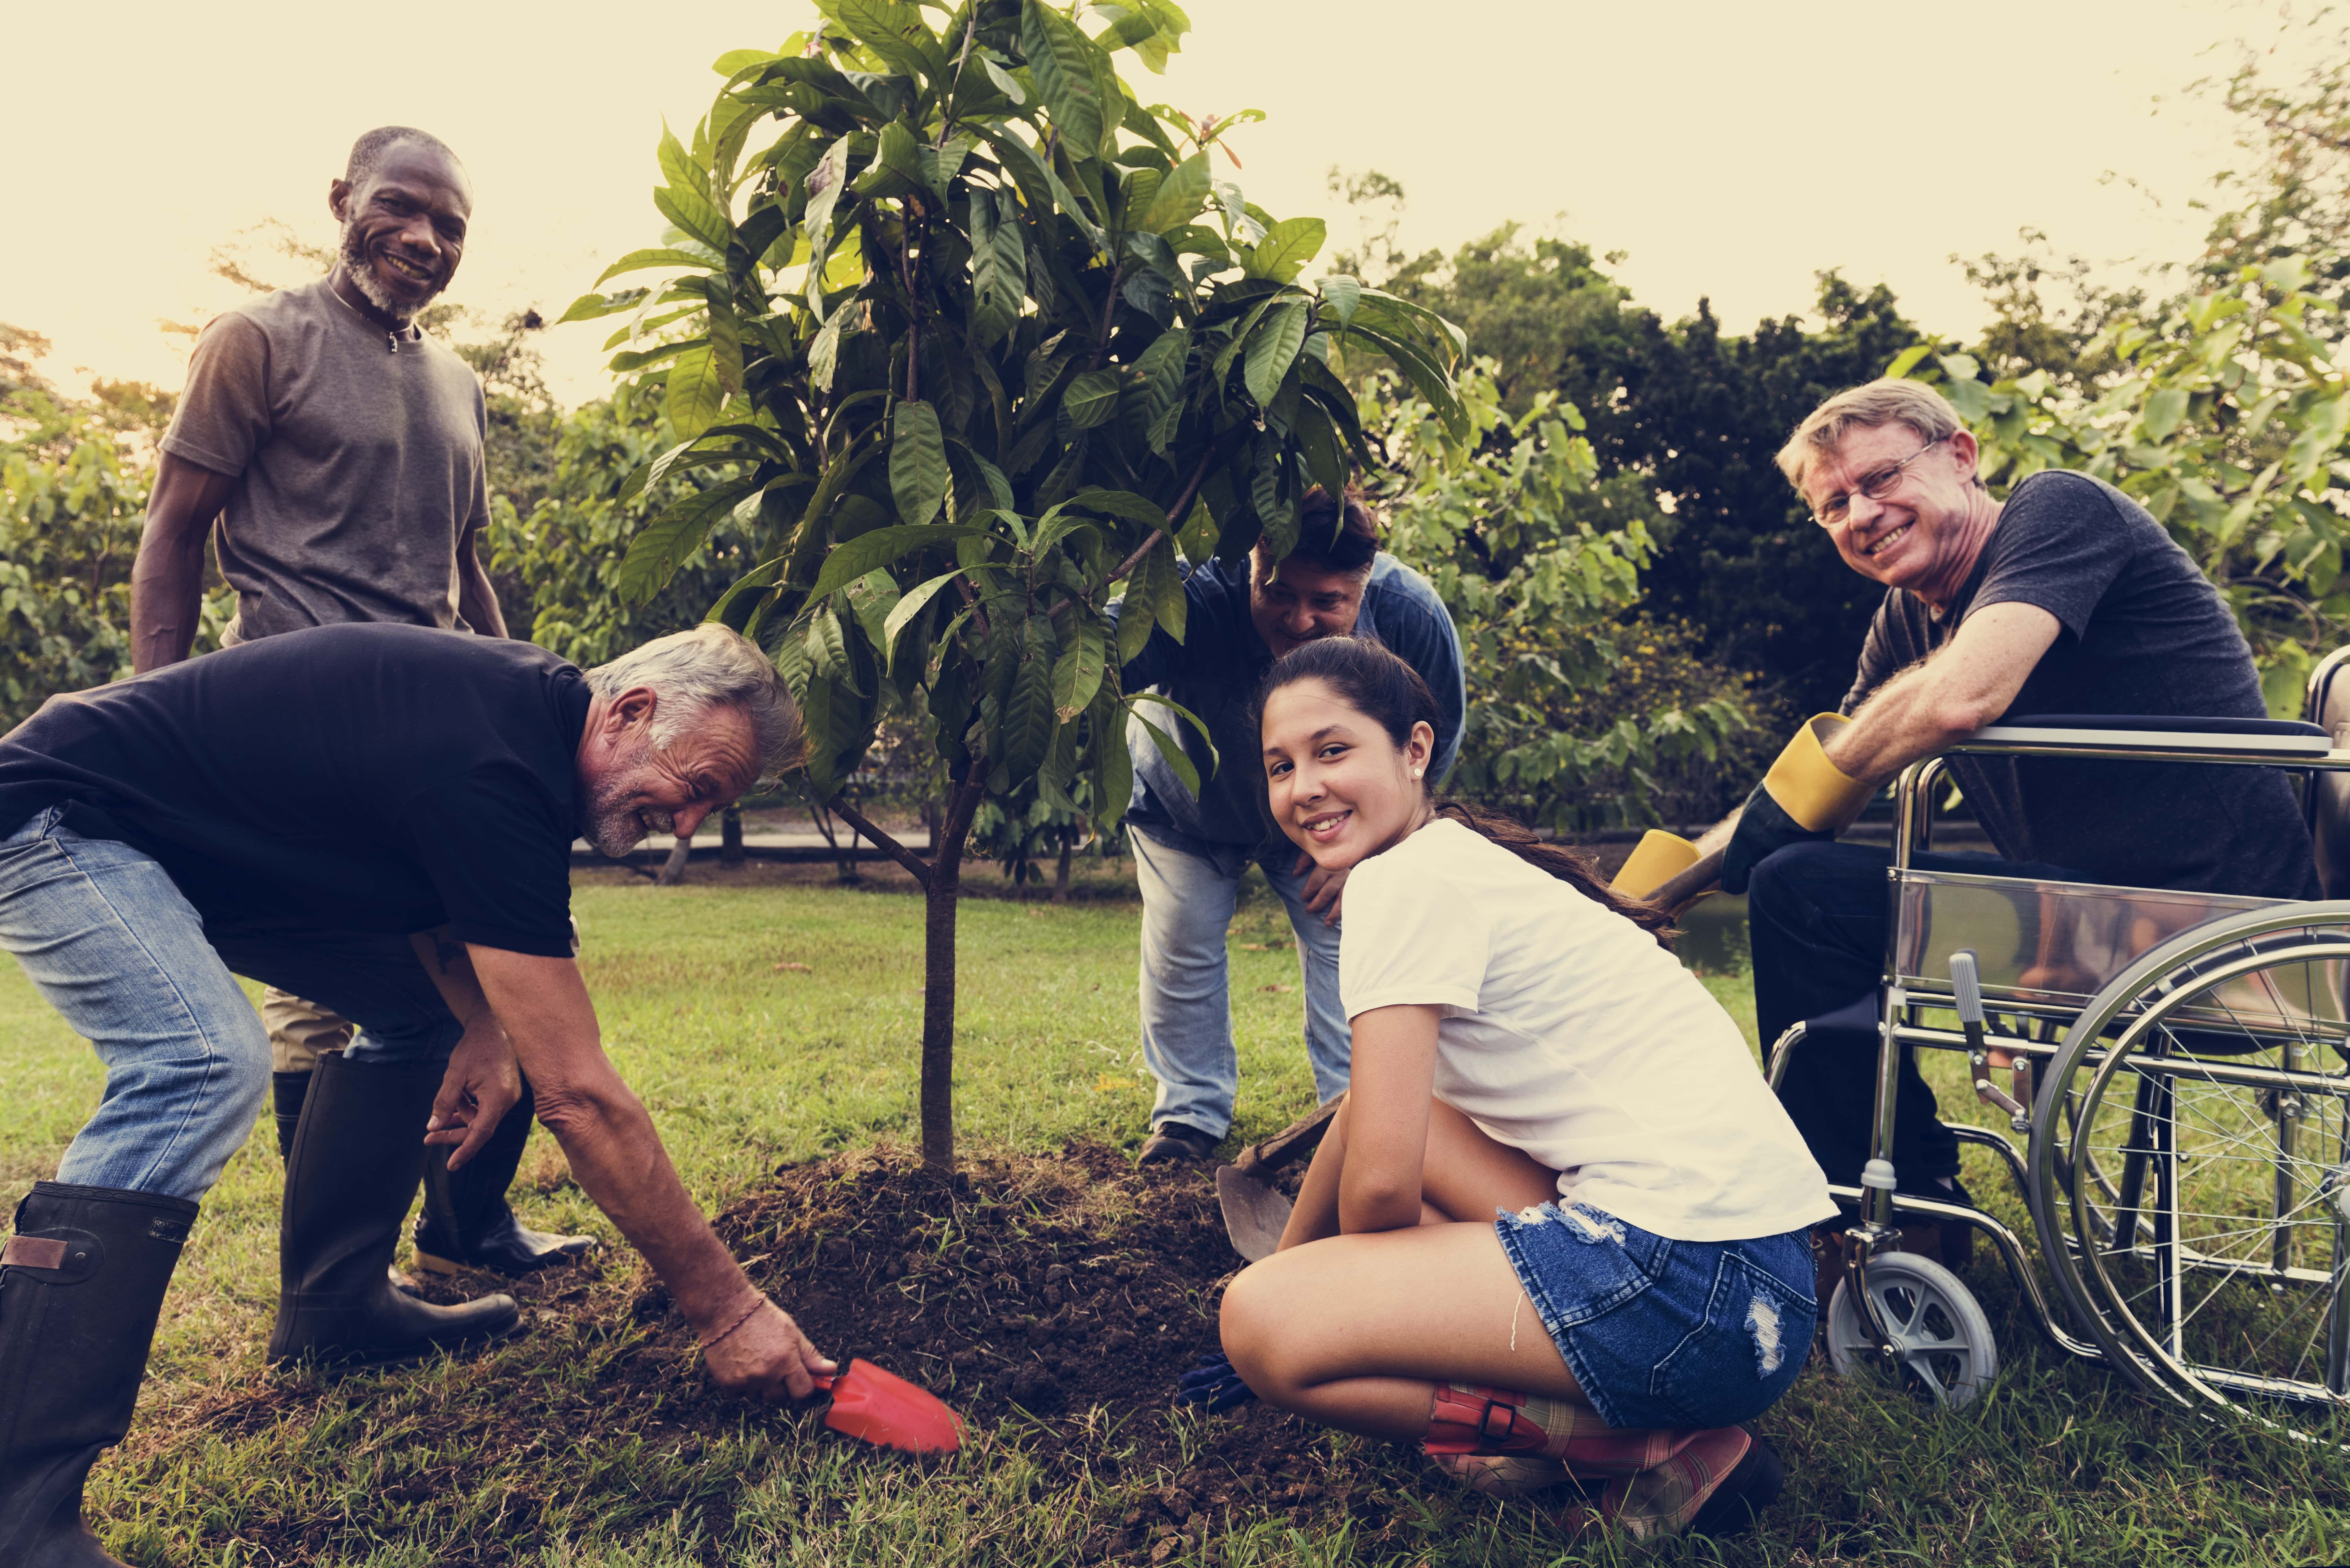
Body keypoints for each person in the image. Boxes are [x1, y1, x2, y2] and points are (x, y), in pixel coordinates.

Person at [0, 623, 832, 1568]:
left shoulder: (524, 728)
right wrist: (726, 1309)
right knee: (198, 1062)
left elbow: (426, 872)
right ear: (632, 712)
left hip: (195, 854)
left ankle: (335, 1308)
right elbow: (581, 1099)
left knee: (418, 1015)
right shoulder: (494, 759)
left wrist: (479, 1023)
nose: (686, 823)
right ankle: (15, 1507)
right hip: (59, 816)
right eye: (697, 788)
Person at [1191, 637, 1832, 1543]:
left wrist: (1309, 1297)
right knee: (1416, 1137)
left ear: (1414, 749)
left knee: (1259, 1324)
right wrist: (1292, 1258)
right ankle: (1635, 1408)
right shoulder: (1460, 860)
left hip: (1681, 1286)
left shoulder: (1397, 884)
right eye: (1279, 765)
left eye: (1332, 751)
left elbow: (1376, 1189)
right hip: (1761, 1285)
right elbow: (1370, 1121)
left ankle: (1626, 1447)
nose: (1303, 786)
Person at [1696, 378, 2319, 1249]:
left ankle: (1883, 1224)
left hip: (2217, 923)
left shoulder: (2060, 511)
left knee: (1800, 890)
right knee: (1799, 882)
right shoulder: (1905, 622)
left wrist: (1792, 811)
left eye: (1879, 480)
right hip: (2099, 912)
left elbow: (1959, 697)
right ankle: (1903, 1202)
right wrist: (1654, 896)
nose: (1860, 514)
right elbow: (1824, 778)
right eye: (1832, 504)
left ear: (1960, 455)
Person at [129, 124, 590, 1279]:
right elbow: (175, 531)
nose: (424, 238)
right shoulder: (256, 341)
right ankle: (342, 1265)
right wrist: (157, 723)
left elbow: (467, 564)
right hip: (300, 729)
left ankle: (470, 1225)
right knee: (322, 998)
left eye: (451, 227)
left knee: (500, 964)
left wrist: (528, 705)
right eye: (401, 208)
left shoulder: (457, 383)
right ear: (341, 199)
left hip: (440, 739)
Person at [1113, 488, 1465, 1163]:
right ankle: (1188, 1118)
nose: (1300, 619)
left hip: (1328, 819)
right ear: (1252, 564)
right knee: (1181, 941)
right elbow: (1100, 653)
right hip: (1187, 801)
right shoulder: (1197, 594)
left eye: (1327, 602)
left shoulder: (1410, 613)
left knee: (1349, 952)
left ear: (1363, 587)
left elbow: (1434, 735)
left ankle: (1350, 1112)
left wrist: (1377, 845)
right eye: (1277, 592)